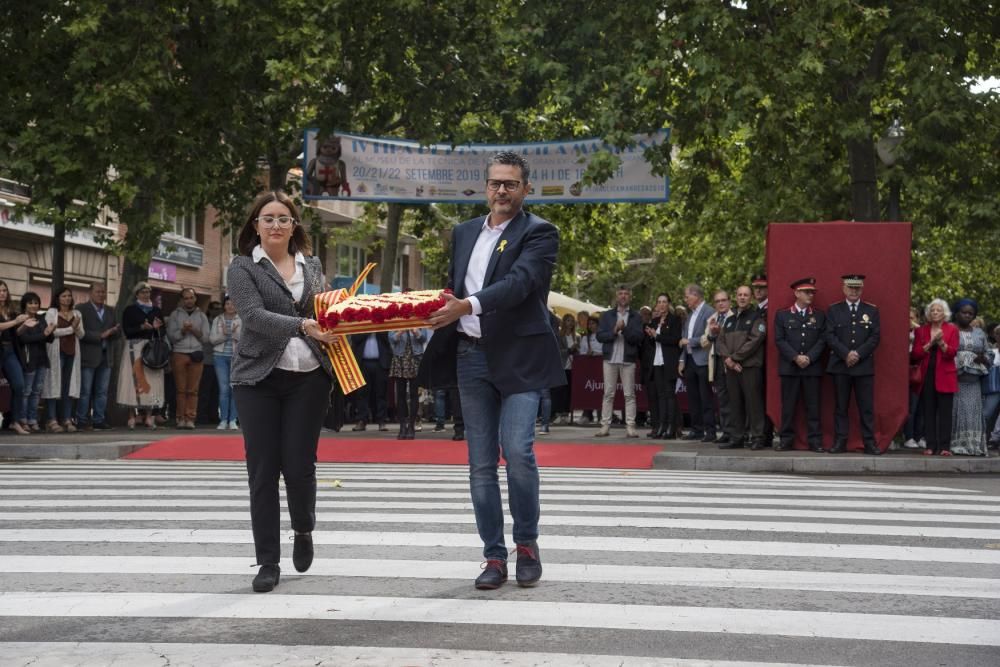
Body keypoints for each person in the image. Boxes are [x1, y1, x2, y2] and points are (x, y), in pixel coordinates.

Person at [426, 151, 564, 590]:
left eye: (510, 183)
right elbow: (453, 288)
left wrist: (468, 305)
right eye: (494, 183)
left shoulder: (541, 233)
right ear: (485, 188)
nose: (501, 190)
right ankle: (493, 556)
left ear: (525, 189)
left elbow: (521, 283)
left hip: (521, 358)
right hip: (471, 356)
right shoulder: (464, 232)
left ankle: (527, 544)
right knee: (480, 464)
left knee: (518, 452)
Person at [228, 190, 338, 593]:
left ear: (294, 226)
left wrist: (343, 318)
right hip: (258, 378)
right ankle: (268, 561)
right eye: (268, 218)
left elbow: (322, 310)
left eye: (283, 219)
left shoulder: (312, 265)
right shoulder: (242, 267)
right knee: (262, 471)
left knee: (299, 466)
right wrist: (303, 326)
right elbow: (253, 317)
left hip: (309, 376)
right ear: (255, 226)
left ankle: (304, 528)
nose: (275, 225)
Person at [824, 274, 881, 455]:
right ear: (844, 289)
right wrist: (846, 353)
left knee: (866, 408)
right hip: (841, 365)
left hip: (863, 365)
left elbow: (875, 337)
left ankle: (870, 443)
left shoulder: (871, 310)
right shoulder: (834, 310)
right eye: (851, 288)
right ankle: (840, 442)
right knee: (841, 407)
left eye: (857, 288)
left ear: (862, 289)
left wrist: (857, 354)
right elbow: (829, 336)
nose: (854, 291)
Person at [773, 277, 826, 452]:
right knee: (788, 407)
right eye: (806, 292)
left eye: (812, 292)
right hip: (790, 367)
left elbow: (822, 340)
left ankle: (815, 441)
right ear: (796, 293)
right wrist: (796, 357)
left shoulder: (818, 316)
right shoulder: (782, 315)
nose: (810, 295)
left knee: (813, 407)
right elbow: (780, 340)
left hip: (812, 367)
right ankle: (786, 440)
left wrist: (809, 357)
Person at [715, 285, 767, 449]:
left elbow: (755, 341)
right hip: (731, 368)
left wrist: (735, 358)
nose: (742, 297)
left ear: (751, 298)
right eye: (739, 295)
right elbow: (720, 341)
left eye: (746, 295)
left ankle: (758, 437)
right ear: (735, 297)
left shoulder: (757, 317)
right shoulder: (729, 320)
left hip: (750, 367)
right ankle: (737, 437)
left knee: (754, 403)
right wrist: (729, 361)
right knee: (735, 403)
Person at [911, 299, 958, 456]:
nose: (935, 312)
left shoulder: (952, 330)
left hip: (945, 375)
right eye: (933, 310)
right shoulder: (921, 331)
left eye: (939, 310)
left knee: (945, 413)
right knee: (928, 411)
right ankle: (930, 445)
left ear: (945, 313)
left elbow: (952, 353)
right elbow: (916, 354)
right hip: (927, 376)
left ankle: (944, 447)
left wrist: (942, 343)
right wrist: (931, 343)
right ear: (929, 314)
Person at [595, 285, 644, 438]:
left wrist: (625, 329)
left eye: (626, 294)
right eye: (620, 293)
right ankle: (605, 426)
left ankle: (630, 426)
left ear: (630, 297)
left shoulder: (636, 316)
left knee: (629, 395)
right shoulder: (606, 316)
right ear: (616, 296)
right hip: (610, 359)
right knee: (608, 394)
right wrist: (614, 331)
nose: (623, 296)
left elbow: (638, 338)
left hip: (628, 360)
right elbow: (600, 336)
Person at [118, 282, 166, 429]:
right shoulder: (130, 310)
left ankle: (149, 416)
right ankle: (132, 416)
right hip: (134, 346)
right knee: (133, 379)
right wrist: (141, 327)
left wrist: (157, 329)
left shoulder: (156, 310)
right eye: (143, 292)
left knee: (152, 380)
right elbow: (127, 330)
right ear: (137, 294)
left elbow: (162, 333)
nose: (146, 294)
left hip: (151, 348)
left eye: (147, 292)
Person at [76, 283, 120, 430]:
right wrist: (101, 335)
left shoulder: (110, 310)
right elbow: (80, 333)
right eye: (98, 292)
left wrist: (115, 332)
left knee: (102, 391)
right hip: (88, 356)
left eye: (103, 292)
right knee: (85, 390)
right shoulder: (81, 309)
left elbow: (117, 333)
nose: (101, 294)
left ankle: (98, 420)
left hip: (106, 356)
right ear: (90, 293)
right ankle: (81, 419)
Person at [950, 298, 989, 456]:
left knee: (972, 413)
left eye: (971, 313)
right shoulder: (951, 329)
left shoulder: (979, 333)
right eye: (964, 312)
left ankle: (973, 445)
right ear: (957, 313)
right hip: (954, 379)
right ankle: (954, 444)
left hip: (974, 383)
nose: (967, 315)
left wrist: (984, 358)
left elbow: (989, 353)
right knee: (955, 412)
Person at [167, 287, 210, 429]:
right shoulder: (175, 315)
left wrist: (194, 330)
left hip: (196, 355)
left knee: (193, 390)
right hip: (179, 353)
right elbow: (171, 337)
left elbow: (205, 338)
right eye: (186, 298)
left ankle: (190, 418)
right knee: (180, 389)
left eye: (191, 297)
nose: (189, 300)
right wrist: (183, 331)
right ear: (182, 300)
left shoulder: (201, 316)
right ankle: (180, 418)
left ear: (195, 298)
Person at [42, 287, 84, 432]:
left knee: (68, 386)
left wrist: (76, 328)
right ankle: (51, 419)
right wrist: (71, 329)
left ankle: (66, 419)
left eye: (69, 296)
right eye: (64, 296)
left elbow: (82, 334)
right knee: (54, 384)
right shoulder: (52, 312)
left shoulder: (77, 313)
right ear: (58, 298)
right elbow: (52, 332)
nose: (67, 298)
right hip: (56, 352)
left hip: (72, 352)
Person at [679, 283, 715, 442]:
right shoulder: (690, 315)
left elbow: (708, 338)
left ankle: (710, 431)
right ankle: (696, 429)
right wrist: (682, 359)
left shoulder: (709, 312)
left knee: (705, 398)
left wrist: (689, 342)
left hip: (703, 361)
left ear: (696, 296)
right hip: (690, 361)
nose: (686, 299)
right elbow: (683, 339)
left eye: (687, 296)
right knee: (693, 398)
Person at [643, 293, 682, 439]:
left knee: (670, 395)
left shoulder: (675, 320)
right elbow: (651, 343)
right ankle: (661, 425)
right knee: (660, 395)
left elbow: (675, 339)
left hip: (669, 361)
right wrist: (651, 336)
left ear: (669, 304)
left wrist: (657, 336)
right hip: (656, 362)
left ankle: (671, 427)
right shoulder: (654, 321)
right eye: (659, 302)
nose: (661, 304)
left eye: (664, 301)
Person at [14, 292, 54, 433]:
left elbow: (49, 339)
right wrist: (43, 335)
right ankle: (22, 420)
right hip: (29, 360)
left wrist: (50, 332)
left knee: (36, 392)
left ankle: (33, 419)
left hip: (42, 359)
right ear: (24, 305)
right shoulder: (20, 319)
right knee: (26, 391)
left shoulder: (41, 319)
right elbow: (24, 339)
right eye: (30, 303)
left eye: (36, 303)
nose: (33, 305)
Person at [702, 290, 733, 443]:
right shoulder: (712, 318)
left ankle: (738, 432)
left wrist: (720, 333)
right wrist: (711, 335)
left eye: (723, 300)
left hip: (732, 362)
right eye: (717, 301)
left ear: (729, 301)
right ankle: (726, 432)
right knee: (722, 399)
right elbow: (703, 342)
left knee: (735, 399)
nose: (721, 303)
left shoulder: (734, 317)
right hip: (717, 362)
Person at [0, 280, 30, 434]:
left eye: (4, 290)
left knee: (19, 385)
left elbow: (15, 333)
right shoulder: (11, 317)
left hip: (10, 350)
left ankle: (14, 421)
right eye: (0, 291)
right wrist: (15, 322)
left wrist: (24, 325)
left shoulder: (10, 310)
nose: (3, 293)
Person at [388, 328, 427, 439]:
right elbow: (391, 339)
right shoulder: (396, 318)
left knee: (414, 394)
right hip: (399, 358)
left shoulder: (418, 317)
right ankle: (402, 427)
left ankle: (411, 426)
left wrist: (415, 331)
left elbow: (424, 338)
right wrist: (400, 331)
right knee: (400, 394)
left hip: (415, 358)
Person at [209, 296, 241, 430]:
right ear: (224, 305)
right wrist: (225, 335)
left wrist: (234, 334)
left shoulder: (242, 320)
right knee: (223, 389)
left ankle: (233, 420)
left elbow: (246, 339)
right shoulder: (218, 320)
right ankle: (223, 420)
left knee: (235, 389)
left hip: (236, 358)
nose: (230, 306)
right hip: (220, 357)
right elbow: (212, 340)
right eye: (227, 303)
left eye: (233, 303)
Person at [903, 306, 926, 449]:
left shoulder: (920, 332)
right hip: (903, 374)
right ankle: (909, 436)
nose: (909, 321)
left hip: (917, 374)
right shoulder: (900, 333)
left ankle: (919, 436)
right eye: (907, 318)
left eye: (912, 318)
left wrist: (916, 329)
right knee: (910, 407)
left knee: (919, 407)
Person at [554, 313, 579, 425]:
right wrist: (569, 350)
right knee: (560, 391)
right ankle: (559, 414)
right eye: (568, 320)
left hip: (573, 367)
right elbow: (558, 352)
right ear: (564, 322)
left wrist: (576, 350)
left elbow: (579, 352)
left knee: (569, 391)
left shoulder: (576, 336)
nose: (570, 323)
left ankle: (566, 414)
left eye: (572, 321)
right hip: (562, 366)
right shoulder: (559, 335)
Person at [577, 315, 602, 424]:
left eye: (593, 323)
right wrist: (586, 354)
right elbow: (581, 352)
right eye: (589, 324)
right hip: (589, 368)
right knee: (589, 390)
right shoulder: (585, 338)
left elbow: (606, 350)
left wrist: (596, 353)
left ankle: (602, 415)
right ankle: (587, 414)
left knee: (600, 390)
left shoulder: (603, 336)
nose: (591, 326)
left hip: (600, 366)